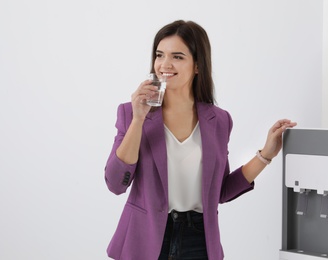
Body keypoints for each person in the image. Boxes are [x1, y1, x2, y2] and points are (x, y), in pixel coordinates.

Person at [104, 20, 297, 260]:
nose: (165, 64)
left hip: (199, 240)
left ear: (198, 65)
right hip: (146, 239)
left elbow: (220, 191)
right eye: (159, 55)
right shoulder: (130, 112)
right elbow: (115, 183)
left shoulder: (219, 120)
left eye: (177, 57)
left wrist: (266, 154)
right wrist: (138, 120)